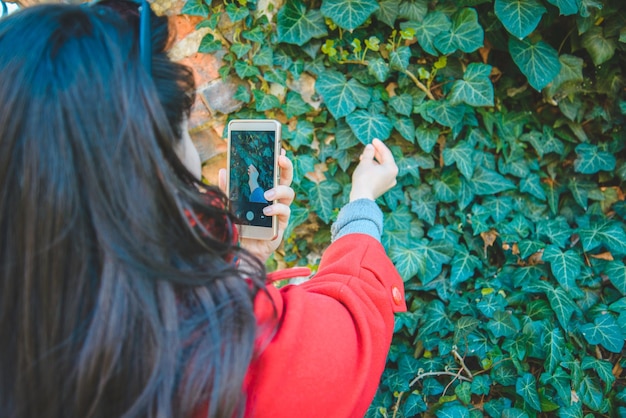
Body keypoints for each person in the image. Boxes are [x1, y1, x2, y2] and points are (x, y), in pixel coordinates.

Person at [0, 4, 406, 418]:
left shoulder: (32, 310)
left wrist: (247, 256)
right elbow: (347, 335)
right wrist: (362, 202)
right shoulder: (217, 345)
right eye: (187, 128)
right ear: (153, 161)